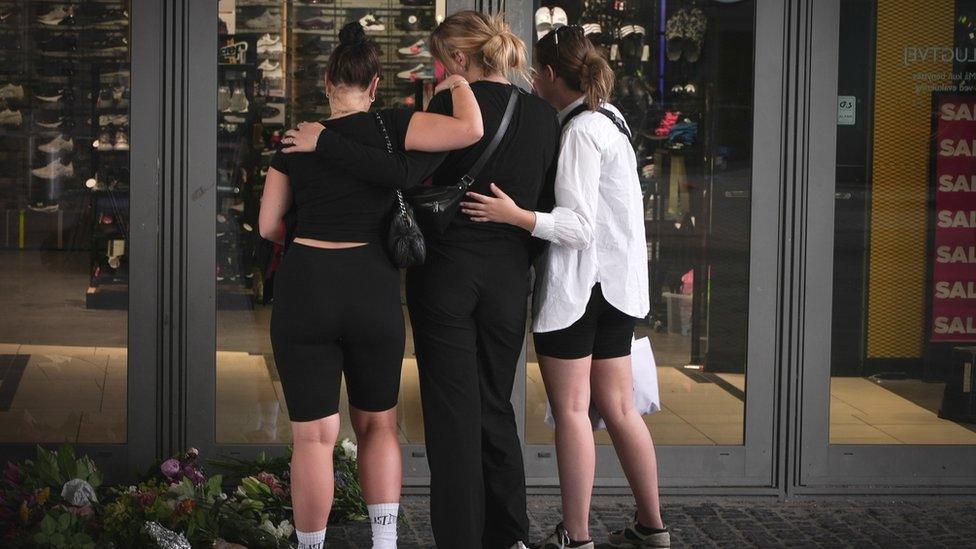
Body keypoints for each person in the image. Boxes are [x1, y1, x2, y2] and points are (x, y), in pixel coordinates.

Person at [280, 11, 561, 548]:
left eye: (439, 57)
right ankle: (510, 535)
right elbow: (546, 207)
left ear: (458, 58)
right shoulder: (543, 117)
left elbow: (408, 179)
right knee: (498, 403)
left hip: (446, 276)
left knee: (453, 408)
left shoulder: (446, 108)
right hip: (507, 277)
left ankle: (460, 538)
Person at [258, 22, 484, 549]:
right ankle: (384, 544)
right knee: (378, 425)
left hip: (307, 283)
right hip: (371, 285)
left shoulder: (295, 139)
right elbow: (470, 130)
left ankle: (310, 546)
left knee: (313, 436)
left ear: (326, 80)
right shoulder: (393, 127)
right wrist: (456, 80)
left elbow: (270, 225)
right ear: (376, 84)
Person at [459, 27, 671, 549]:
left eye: (537, 73)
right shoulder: (611, 118)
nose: (531, 81)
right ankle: (652, 526)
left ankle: (576, 538)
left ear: (553, 76)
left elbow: (579, 227)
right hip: (618, 289)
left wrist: (516, 215)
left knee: (574, 412)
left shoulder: (577, 132)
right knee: (620, 410)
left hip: (581, 291)